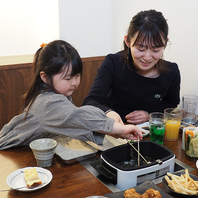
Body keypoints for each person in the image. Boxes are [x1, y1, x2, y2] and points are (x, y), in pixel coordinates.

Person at [0, 40, 142, 150]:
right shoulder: (48, 103)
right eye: (68, 78)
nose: (74, 82)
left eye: (77, 75)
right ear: (44, 77)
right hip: (12, 153)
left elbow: (72, 122)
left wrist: (112, 131)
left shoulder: (53, 93)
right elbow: (78, 116)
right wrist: (121, 129)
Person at [83, 10, 180, 125]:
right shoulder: (113, 63)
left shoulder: (171, 72)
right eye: (141, 49)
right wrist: (108, 112)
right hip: (113, 129)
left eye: (155, 50)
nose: (147, 57)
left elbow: (171, 103)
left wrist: (149, 115)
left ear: (165, 44)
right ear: (128, 41)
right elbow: (90, 102)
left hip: (147, 132)